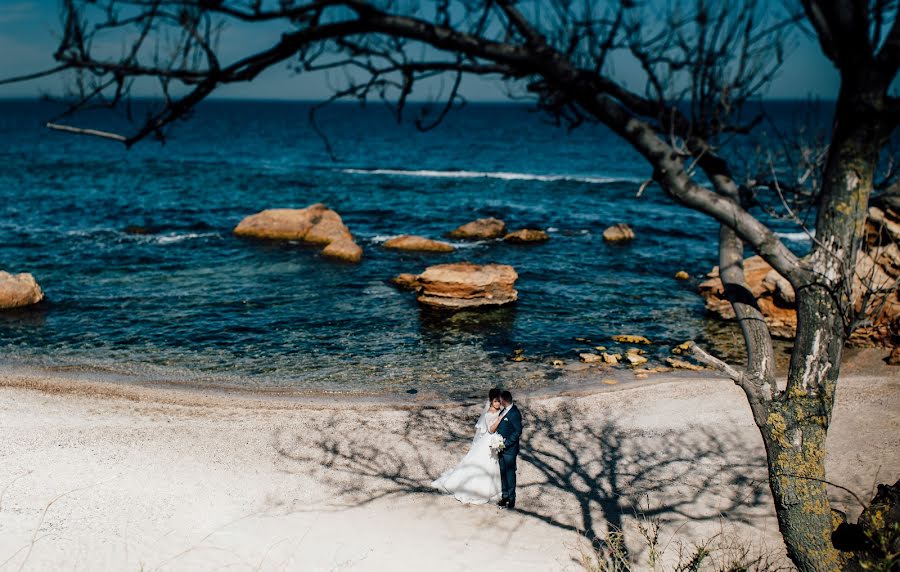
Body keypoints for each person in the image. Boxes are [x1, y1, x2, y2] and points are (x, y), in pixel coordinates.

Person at [431, 388, 504, 504]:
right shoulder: (489, 413)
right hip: (490, 439)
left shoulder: (500, 410)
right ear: (491, 401)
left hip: (494, 439)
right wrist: (499, 420)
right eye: (496, 401)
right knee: (484, 462)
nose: (498, 403)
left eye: (499, 401)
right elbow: (490, 429)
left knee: (494, 462)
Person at [496, 390, 523, 510]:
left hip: (510, 449)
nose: (499, 401)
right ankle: (505, 496)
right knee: (503, 473)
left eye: (500, 399)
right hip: (500, 448)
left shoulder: (514, 413)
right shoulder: (503, 411)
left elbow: (518, 431)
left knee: (510, 474)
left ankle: (512, 499)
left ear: (504, 400)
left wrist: (506, 443)